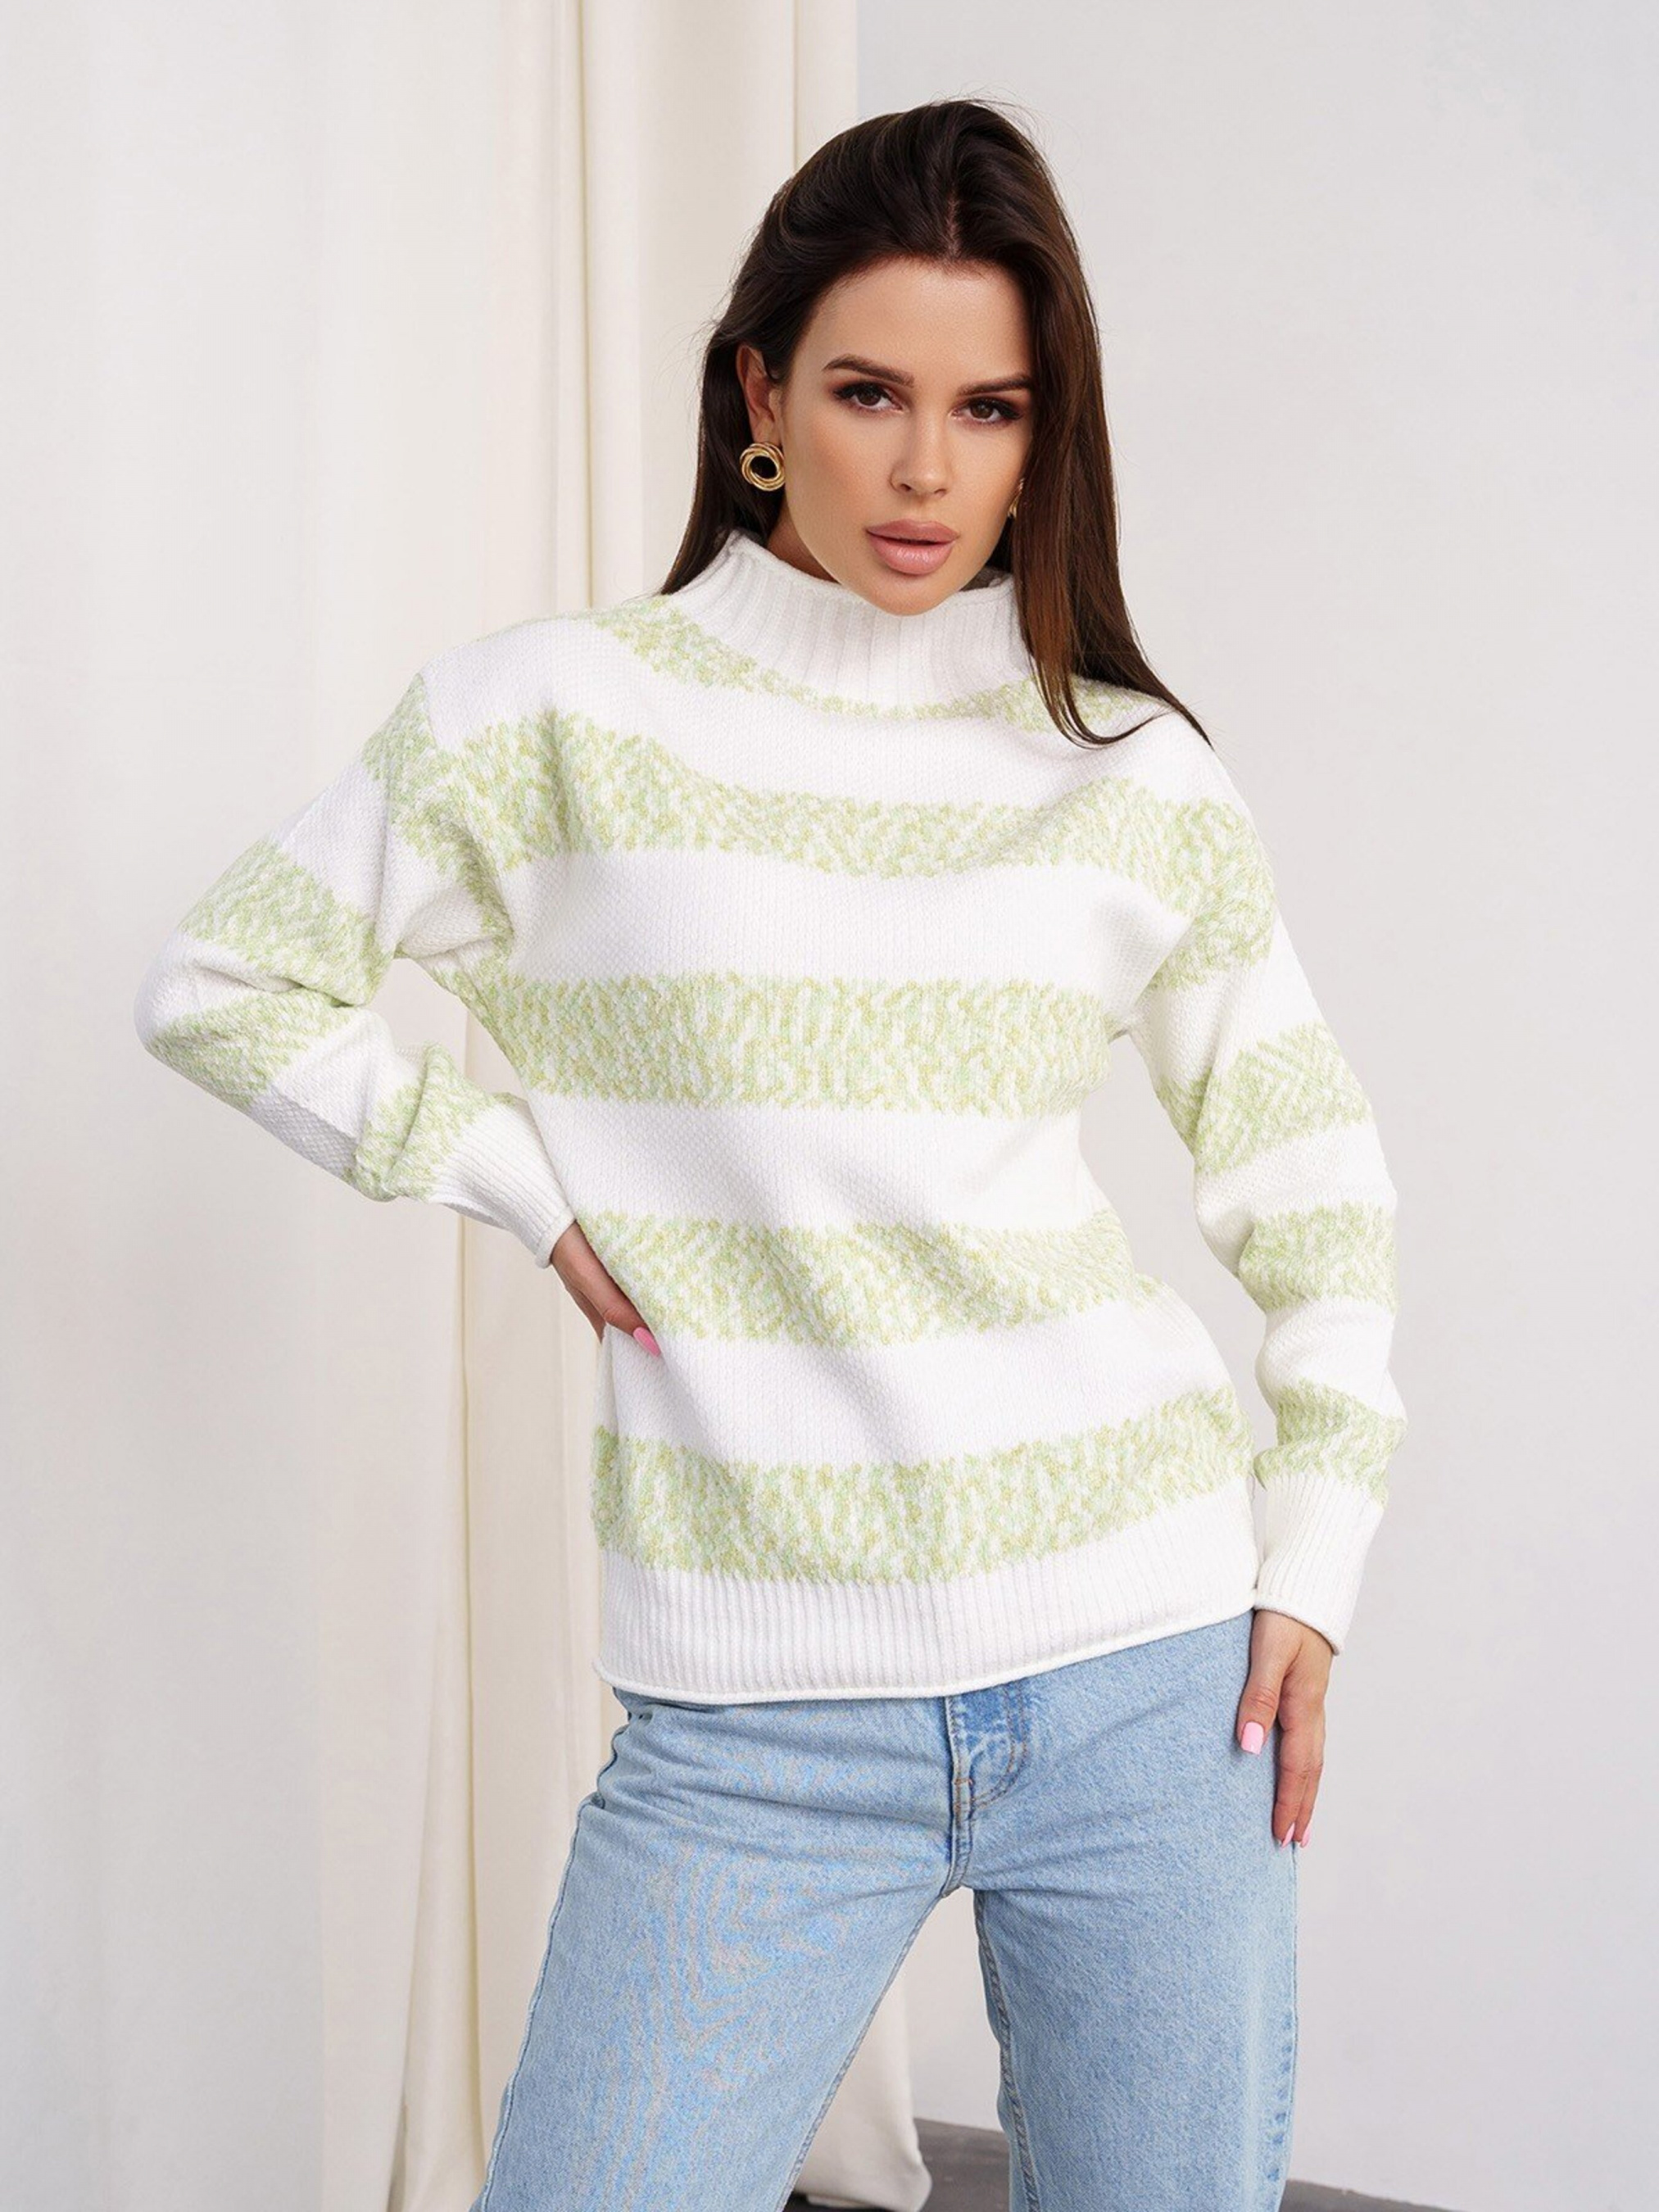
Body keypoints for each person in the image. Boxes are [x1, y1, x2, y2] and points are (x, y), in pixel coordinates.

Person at [134, 97, 1405, 2212]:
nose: (925, 471)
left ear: (1046, 433)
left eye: (989, 408)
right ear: (757, 397)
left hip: (1148, 1663)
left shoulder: (1124, 766)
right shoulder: (547, 720)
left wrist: (1316, 1555)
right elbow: (223, 978)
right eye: (867, 393)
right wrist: (510, 1174)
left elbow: (1307, 1168)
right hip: (754, 1711)